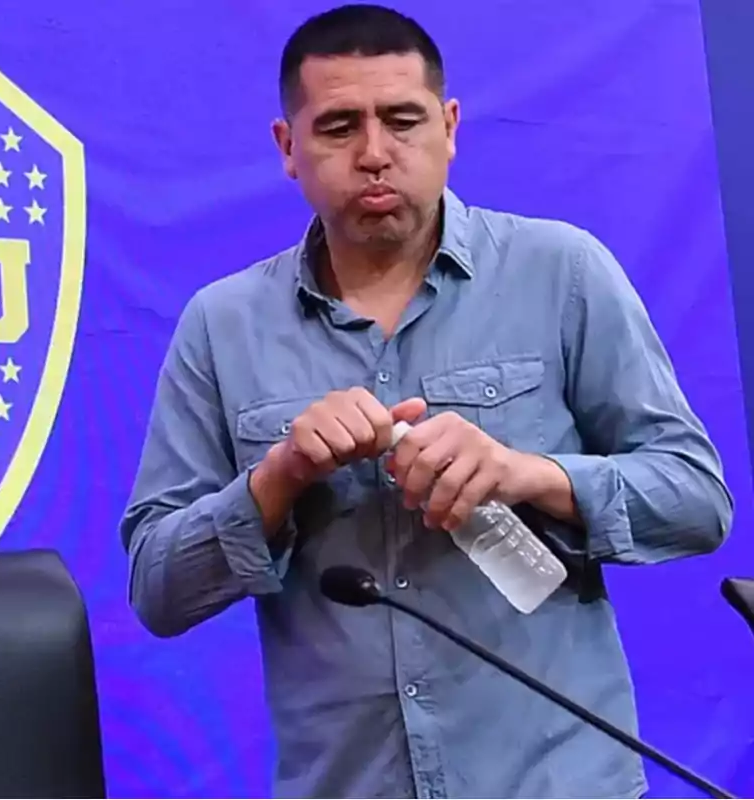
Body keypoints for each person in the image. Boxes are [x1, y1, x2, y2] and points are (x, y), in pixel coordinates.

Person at [118, 3, 734, 798]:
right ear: (288, 149)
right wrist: (279, 478)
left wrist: (526, 474)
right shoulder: (222, 325)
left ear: (448, 128)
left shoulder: (562, 273)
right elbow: (155, 590)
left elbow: (695, 501)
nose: (375, 153)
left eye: (402, 120)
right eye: (338, 127)